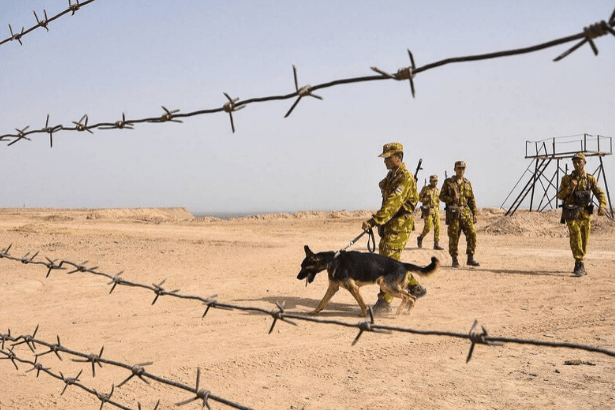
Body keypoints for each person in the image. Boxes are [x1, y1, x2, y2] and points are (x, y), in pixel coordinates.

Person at [361, 142, 424, 314]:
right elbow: (382, 186)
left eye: (388, 158)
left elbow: (392, 203)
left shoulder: (405, 177)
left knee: (388, 266)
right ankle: (416, 288)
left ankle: (384, 303)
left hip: (399, 226)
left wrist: (374, 221)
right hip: (390, 225)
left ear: (398, 157)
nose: (385, 162)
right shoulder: (392, 176)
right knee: (388, 262)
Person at [556, 152, 607, 276]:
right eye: (574, 162)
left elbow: (599, 192)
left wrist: (602, 205)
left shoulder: (590, 178)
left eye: (579, 161)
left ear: (584, 163)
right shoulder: (566, 179)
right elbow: (559, 195)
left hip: (585, 213)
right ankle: (579, 261)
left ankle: (580, 261)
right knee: (575, 234)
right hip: (571, 212)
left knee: (584, 238)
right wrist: (570, 187)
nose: (577, 164)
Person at [439, 161, 479, 268]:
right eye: (459, 168)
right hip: (453, 214)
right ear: (455, 169)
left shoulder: (467, 183)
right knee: (454, 237)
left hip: (465, 213)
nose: (461, 170)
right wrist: (452, 198)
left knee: (472, 234)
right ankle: (454, 259)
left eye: (463, 168)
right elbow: (441, 196)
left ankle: (470, 258)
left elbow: (471, 199)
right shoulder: (449, 182)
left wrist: (475, 213)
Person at [417, 175, 444, 250]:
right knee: (428, 226)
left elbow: (439, 201)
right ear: (430, 181)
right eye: (433, 181)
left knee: (437, 226)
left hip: (436, 210)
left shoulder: (438, 191)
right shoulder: (425, 189)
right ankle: (420, 237)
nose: (435, 183)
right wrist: (427, 199)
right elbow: (419, 198)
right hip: (428, 210)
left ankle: (436, 243)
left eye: (436, 181)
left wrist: (439, 210)